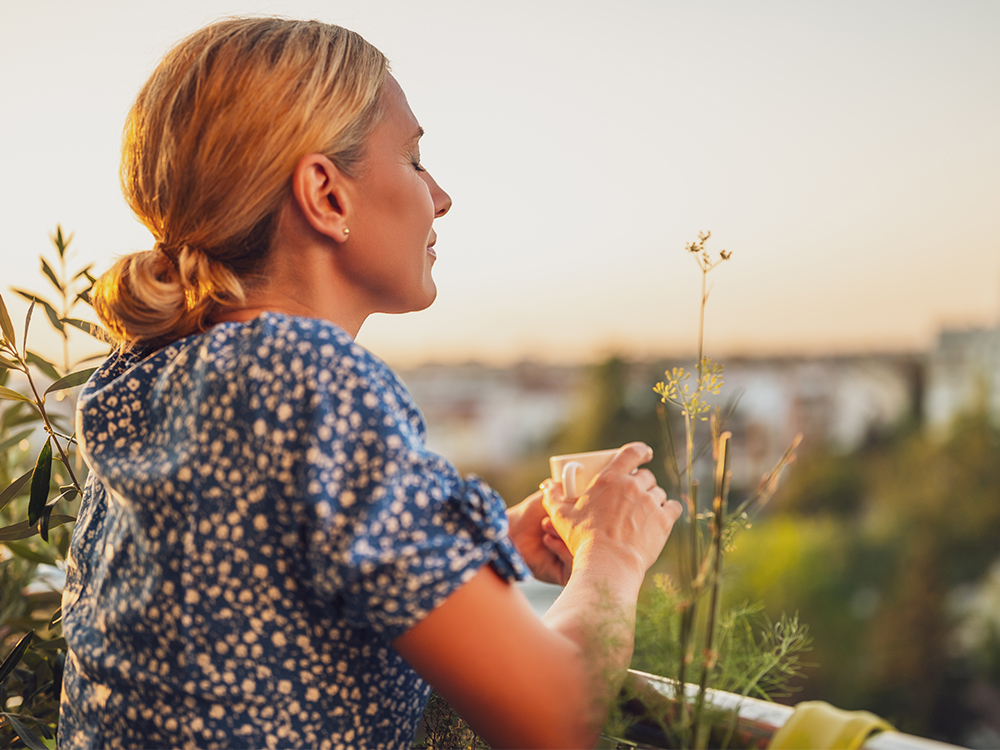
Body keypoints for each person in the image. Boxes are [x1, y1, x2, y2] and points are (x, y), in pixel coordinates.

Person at [58, 17, 683, 750]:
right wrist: (615, 551)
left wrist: (488, 544)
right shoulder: (308, 379)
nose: (441, 196)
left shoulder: (150, 368)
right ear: (326, 194)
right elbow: (557, 716)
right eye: (414, 159)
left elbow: (248, 589)